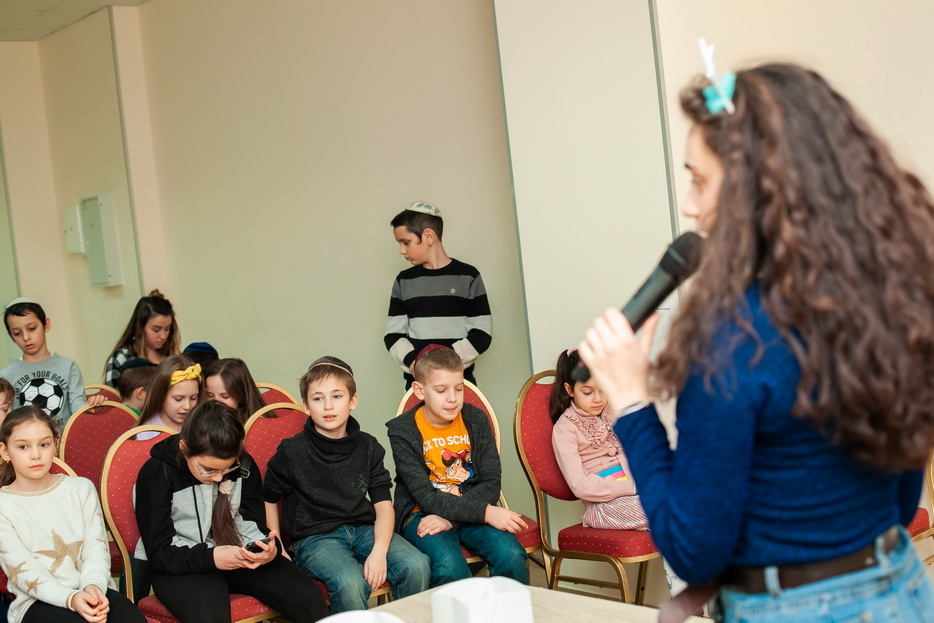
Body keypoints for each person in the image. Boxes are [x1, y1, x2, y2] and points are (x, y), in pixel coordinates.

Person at [578, 62, 934, 622]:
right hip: (899, 590)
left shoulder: (733, 339)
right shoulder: (888, 297)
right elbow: (897, 498)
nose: (689, 206)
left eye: (700, 181)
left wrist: (630, 402)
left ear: (758, 192)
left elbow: (693, 551)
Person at [134, 400, 329, 623]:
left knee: (307, 596)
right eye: (208, 470)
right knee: (211, 617)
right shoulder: (156, 473)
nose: (218, 477)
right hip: (180, 564)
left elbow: (252, 523)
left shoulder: (243, 465)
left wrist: (268, 551)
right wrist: (212, 557)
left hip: (235, 554)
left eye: (227, 468)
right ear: (184, 447)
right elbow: (159, 553)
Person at [264, 356, 430, 612]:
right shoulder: (292, 451)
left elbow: (384, 507)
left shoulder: (368, 446)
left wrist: (379, 552)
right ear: (306, 406)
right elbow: (269, 497)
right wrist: (277, 546)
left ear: (353, 401)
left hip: (364, 529)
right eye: (318, 398)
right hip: (314, 539)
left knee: (417, 564)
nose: (328, 406)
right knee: (350, 581)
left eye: (337, 396)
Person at [387, 345, 529, 587]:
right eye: (441, 390)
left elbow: (491, 483)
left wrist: (452, 520)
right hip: (422, 514)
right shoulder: (402, 431)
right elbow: (426, 497)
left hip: (471, 503)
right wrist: (486, 513)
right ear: (419, 390)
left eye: (459, 388)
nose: (452, 398)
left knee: (511, 555)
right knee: (449, 565)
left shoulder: (475, 419)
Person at [0, 406, 145, 623]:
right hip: (37, 601)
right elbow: (24, 572)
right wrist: (71, 598)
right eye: (23, 447)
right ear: (4, 452)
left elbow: (96, 550)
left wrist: (93, 587)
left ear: (55, 444)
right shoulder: (4, 505)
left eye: (44, 444)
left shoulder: (81, 488)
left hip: (93, 588)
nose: (36, 455)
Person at [384, 201, 492, 388]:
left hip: (460, 382)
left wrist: (444, 363)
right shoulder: (403, 281)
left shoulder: (468, 277)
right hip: (418, 384)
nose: (401, 250)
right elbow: (393, 335)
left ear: (428, 236)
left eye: (405, 242)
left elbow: (481, 333)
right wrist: (415, 362)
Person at [549, 348, 647, 531]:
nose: (598, 399)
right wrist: (633, 487)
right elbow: (579, 484)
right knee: (659, 511)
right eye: (587, 392)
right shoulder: (565, 428)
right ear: (570, 390)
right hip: (602, 508)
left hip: (637, 494)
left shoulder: (614, 412)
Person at [1, 298, 102, 428]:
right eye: (17, 333)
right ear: (10, 336)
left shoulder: (68, 366)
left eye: (32, 328)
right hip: (27, 440)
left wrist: (91, 407)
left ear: (46, 325)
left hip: (66, 438)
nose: (26, 337)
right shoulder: (6, 375)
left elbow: (77, 405)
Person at [103, 290, 180, 387]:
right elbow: (112, 394)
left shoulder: (173, 355)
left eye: (167, 329)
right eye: (156, 330)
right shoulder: (122, 357)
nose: (163, 336)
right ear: (140, 328)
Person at [136, 355, 200, 440]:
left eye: (193, 398)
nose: (187, 406)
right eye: (178, 399)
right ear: (160, 395)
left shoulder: (201, 427)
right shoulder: (146, 433)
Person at [202, 358, 265, 425]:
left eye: (225, 396)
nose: (216, 403)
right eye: (210, 395)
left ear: (241, 394)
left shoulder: (257, 424)